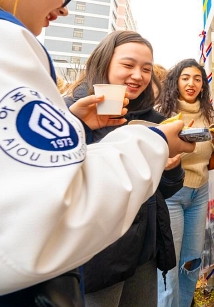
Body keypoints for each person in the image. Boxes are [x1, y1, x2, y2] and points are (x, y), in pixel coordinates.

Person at [0, 0, 194, 304]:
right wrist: (151, 142)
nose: (64, 10)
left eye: (147, 69)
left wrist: (71, 125)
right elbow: (38, 222)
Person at [64, 31, 186, 307]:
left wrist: (171, 168)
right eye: (128, 65)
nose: (138, 75)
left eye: (145, 69)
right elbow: (61, 182)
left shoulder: (153, 120)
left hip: (143, 250)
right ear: (104, 62)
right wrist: (77, 127)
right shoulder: (72, 112)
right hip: (97, 255)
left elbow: (164, 190)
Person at [155, 59, 214, 307]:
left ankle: (185, 303)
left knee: (192, 259)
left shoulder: (208, 113)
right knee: (170, 262)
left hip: (199, 192)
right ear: (176, 81)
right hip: (171, 193)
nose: (191, 83)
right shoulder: (163, 112)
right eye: (186, 77)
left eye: (197, 79)